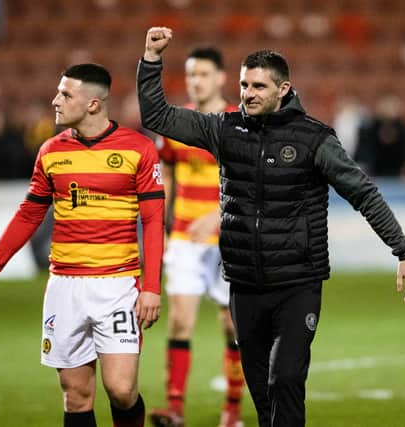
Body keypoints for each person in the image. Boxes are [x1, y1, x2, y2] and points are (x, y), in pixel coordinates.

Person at [137, 27, 405, 427]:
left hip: (297, 284)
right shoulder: (224, 129)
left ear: (283, 89)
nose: (247, 93)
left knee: (285, 378)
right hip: (245, 284)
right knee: (263, 396)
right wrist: (151, 59)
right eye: (242, 84)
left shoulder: (314, 139)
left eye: (258, 86)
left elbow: (363, 193)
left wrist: (404, 251)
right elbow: (157, 116)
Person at [0, 63, 165, 427]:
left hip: (118, 285)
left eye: (65, 94)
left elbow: (153, 221)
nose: (55, 100)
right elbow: (29, 214)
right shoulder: (50, 151)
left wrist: (151, 287)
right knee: (76, 397)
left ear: (93, 104)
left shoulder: (138, 149)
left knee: (121, 390)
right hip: (65, 286)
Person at [148, 47, 245, 427]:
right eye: (190, 74)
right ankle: (174, 409)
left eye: (203, 74)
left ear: (221, 78)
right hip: (186, 239)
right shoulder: (177, 124)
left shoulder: (239, 122)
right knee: (179, 323)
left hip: (228, 239)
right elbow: (167, 178)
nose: (195, 80)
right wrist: (163, 228)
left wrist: (219, 215)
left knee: (232, 326)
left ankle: (232, 411)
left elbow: (250, 183)